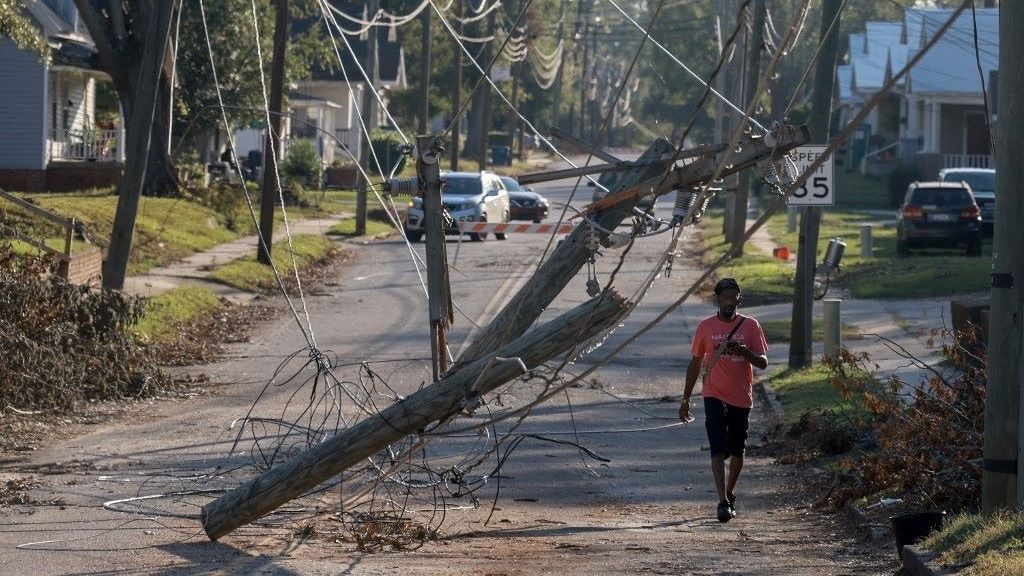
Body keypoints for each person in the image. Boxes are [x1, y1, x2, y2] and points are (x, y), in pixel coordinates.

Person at [680, 277, 768, 523]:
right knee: (718, 448)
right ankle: (722, 501)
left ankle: (731, 492)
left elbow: (762, 362)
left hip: (741, 395)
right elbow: (695, 363)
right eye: (725, 296)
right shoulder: (705, 327)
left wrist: (744, 352)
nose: (729, 301)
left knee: (737, 450)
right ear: (717, 299)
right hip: (713, 393)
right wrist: (685, 399)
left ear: (739, 299)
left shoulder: (751, 326)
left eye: (733, 296)